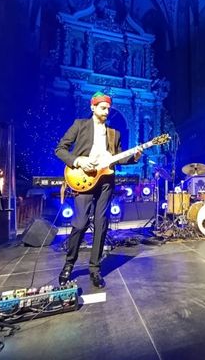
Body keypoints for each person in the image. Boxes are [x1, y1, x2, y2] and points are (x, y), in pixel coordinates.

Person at [55, 92, 141, 288]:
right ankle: (69, 264)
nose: (107, 111)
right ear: (93, 107)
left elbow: (118, 157)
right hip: (83, 178)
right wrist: (78, 161)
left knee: (101, 224)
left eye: (108, 108)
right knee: (80, 223)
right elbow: (60, 149)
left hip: (106, 182)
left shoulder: (114, 133)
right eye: (103, 107)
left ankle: (95, 268)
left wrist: (134, 157)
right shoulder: (80, 125)